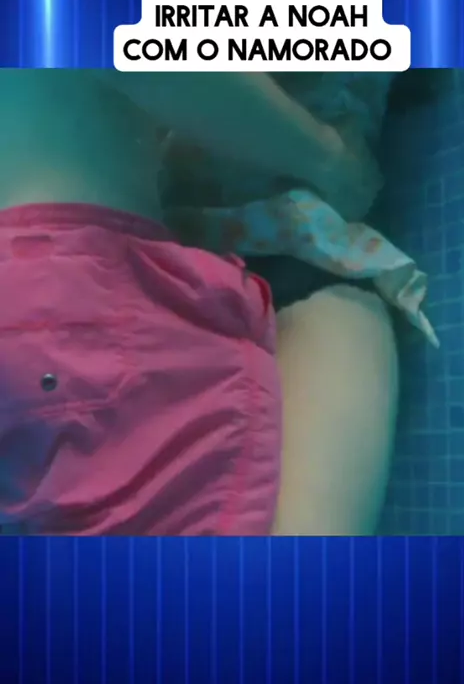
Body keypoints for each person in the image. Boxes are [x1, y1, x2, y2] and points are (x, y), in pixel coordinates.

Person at [0, 69, 398, 535]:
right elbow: (141, 65)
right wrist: (329, 157)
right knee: (346, 318)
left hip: (42, 299)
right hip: (63, 285)